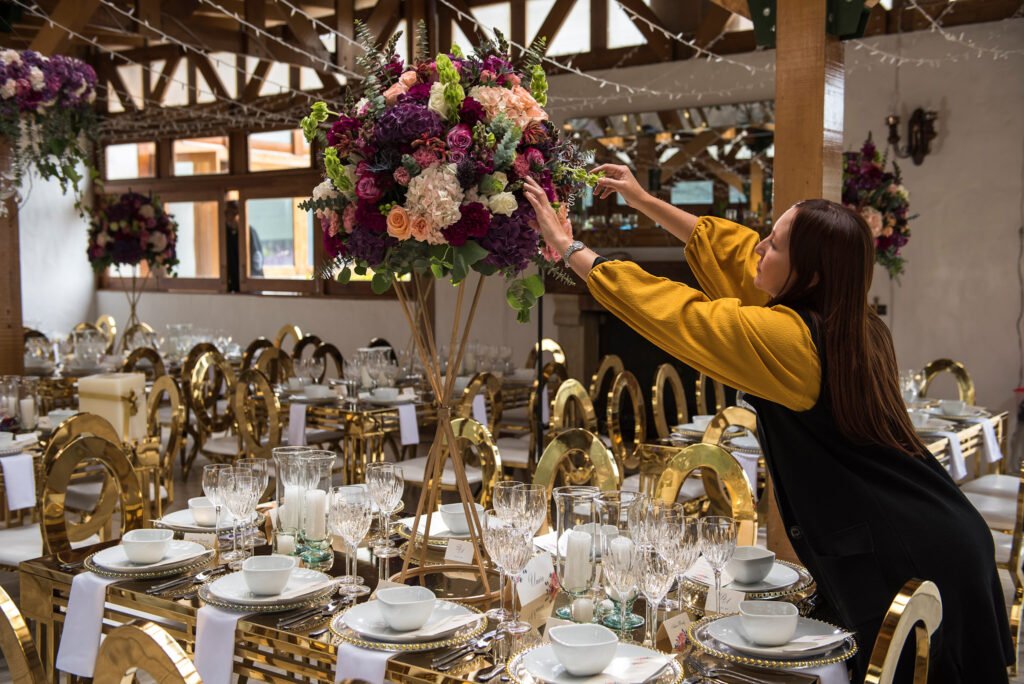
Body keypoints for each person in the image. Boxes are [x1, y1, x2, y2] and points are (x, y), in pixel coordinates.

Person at [523, 170, 1013, 681]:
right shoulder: (854, 324)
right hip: (940, 527)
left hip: (905, 551)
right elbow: (733, 252)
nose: (758, 249)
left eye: (774, 244)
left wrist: (567, 245)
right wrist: (643, 200)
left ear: (812, 273)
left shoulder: (792, 343)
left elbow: (676, 313)